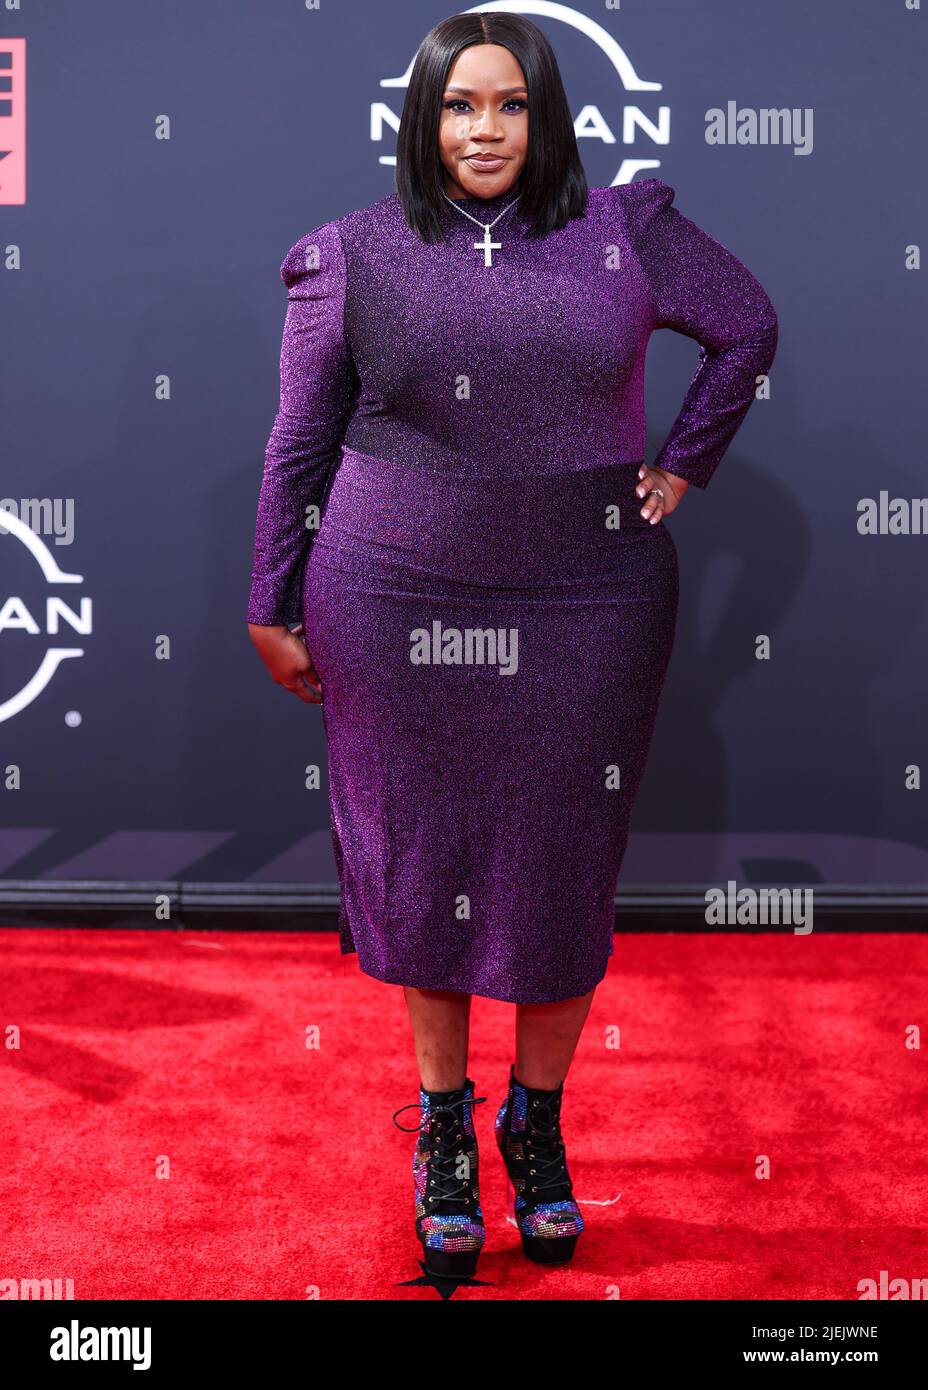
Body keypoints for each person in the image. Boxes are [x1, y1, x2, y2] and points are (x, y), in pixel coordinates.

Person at [246, 12, 778, 1281]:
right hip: (392, 593)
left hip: (588, 599)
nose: (482, 130)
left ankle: (532, 1127)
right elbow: (296, 442)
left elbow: (746, 328)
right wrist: (271, 599)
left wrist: (683, 465)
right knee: (423, 859)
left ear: (546, 118)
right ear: (420, 120)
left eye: (509, 106)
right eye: (456, 107)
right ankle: (441, 1129)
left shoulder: (626, 231)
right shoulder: (354, 255)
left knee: (556, 865)